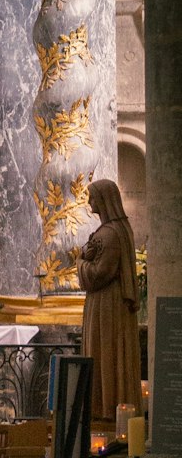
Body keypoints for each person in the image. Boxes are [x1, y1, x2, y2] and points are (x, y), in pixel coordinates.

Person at [77, 179, 143, 423]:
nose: (90, 202)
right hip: (110, 303)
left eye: (92, 197)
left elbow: (98, 274)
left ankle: (105, 408)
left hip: (107, 305)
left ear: (104, 200)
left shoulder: (109, 233)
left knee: (105, 351)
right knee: (109, 352)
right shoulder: (120, 229)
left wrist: (80, 262)